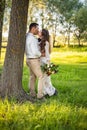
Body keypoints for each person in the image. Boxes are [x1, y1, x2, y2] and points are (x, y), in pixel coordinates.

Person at [25, 23, 44, 99]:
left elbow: (36, 43)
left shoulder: (28, 37)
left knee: (32, 77)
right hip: (33, 60)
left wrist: (39, 38)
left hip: (29, 59)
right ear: (33, 28)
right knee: (41, 76)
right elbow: (35, 51)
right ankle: (40, 95)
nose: (38, 30)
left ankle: (32, 93)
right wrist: (41, 54)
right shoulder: (32, 39)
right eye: (37, 29)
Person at [39, 29, 58, 96]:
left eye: (40, 31)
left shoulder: (46, 43)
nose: (39, 32)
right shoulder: (40, 41)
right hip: (40, 61)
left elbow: (47, 54)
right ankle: (45, 91)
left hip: (44, 61)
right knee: (43, 78)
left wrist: (48, 65)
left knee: (46, 78)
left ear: (43, 33)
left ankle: (51, 91)